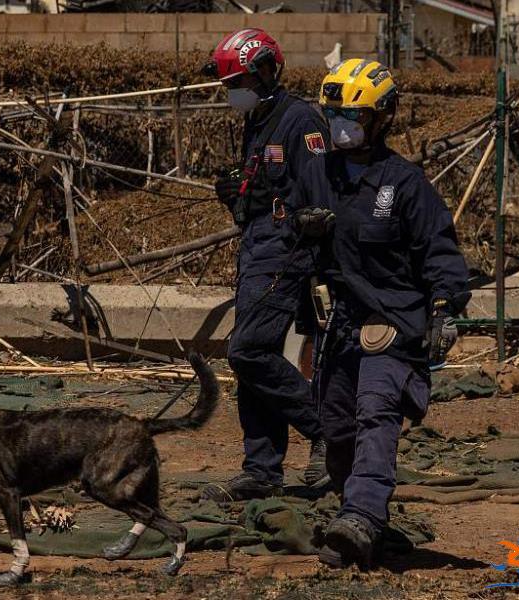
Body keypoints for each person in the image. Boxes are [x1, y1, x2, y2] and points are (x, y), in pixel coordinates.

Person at [291, 58, 470, 567]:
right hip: (340, 325)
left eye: (353, 115)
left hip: (393, 321)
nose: (342, 124)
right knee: (337, 424)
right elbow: (283, 222)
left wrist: (444, 309)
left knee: (376, 410)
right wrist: (300, 229)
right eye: (334, 114)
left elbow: (439, 252)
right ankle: (357, 511)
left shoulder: (405, 185)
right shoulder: (318, 174)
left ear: (382, 118)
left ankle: (363, 516)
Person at [199, 28, 331, 501]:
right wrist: (240, 198)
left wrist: (302, 231)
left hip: (286, 255)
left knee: (247, 352)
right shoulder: (256, 121)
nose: (234, 93)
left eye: (239, 83)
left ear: (267, 72)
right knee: (258, 358)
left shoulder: (302, 122)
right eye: (230, 85)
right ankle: (262, 469)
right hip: (256, 252)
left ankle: (327, 431)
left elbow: (318, 202)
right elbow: (265, 194)